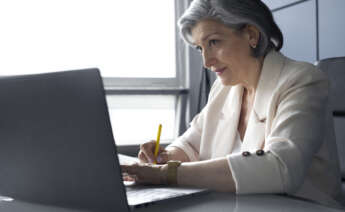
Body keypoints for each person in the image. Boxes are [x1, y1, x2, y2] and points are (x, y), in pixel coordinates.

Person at [121, 0, 343, 208]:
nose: (207, 61)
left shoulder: (302, 80)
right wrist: (165, 156)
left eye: (214, 42)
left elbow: (279, 167)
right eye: (200, 48)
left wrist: (165, 174)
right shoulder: (224, 87)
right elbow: (191, 143)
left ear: (251, 35)